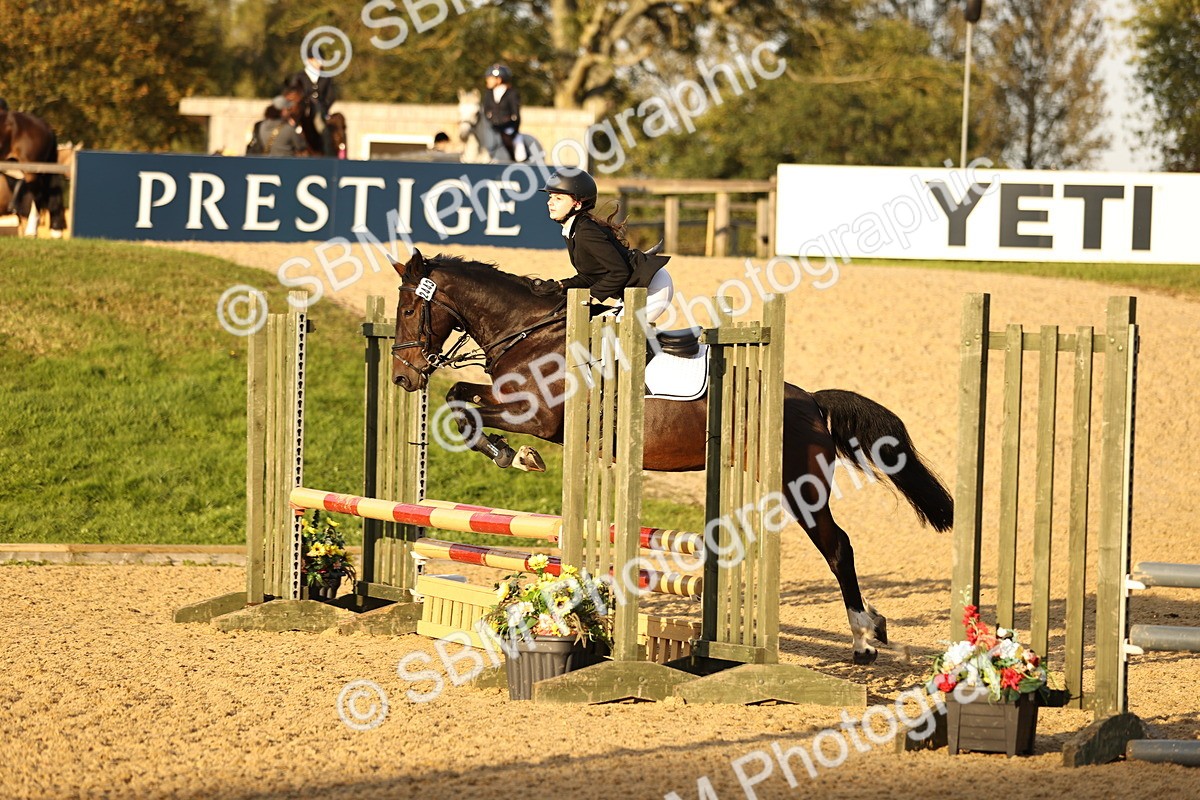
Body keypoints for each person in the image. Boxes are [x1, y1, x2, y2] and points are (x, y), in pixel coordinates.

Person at [533, 168, 674, 324]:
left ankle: (698, 350)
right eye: (551, 197)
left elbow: (620, 272)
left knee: (616, 334)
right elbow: (589, 276)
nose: (550, 202)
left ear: (578, 204)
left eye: (558, 198)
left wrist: (589, 297)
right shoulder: (573, 230)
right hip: (634, 289)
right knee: (609, 333)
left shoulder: (586, 232)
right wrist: (560, 286)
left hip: (652, 286)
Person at [285, 55, 339, 154]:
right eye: (317, 60)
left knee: (320, 125)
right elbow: (293, 93)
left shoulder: (326, 77)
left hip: (319, 109)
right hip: (302, 109)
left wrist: (324, 107)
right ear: (310, 60)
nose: (320, 62)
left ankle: (328, 152)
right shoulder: (299, 76)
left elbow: (331, 96)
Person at [481, 64, 523, 161]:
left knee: (518, 150)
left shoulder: (512, 93)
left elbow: (516, 115)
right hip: (492, 127)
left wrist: (514, 132)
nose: (487, 80)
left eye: (490, 78)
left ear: (499, 79)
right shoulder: (488, 94)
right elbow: (486, 111)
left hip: (507, 128)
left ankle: (514, 160)